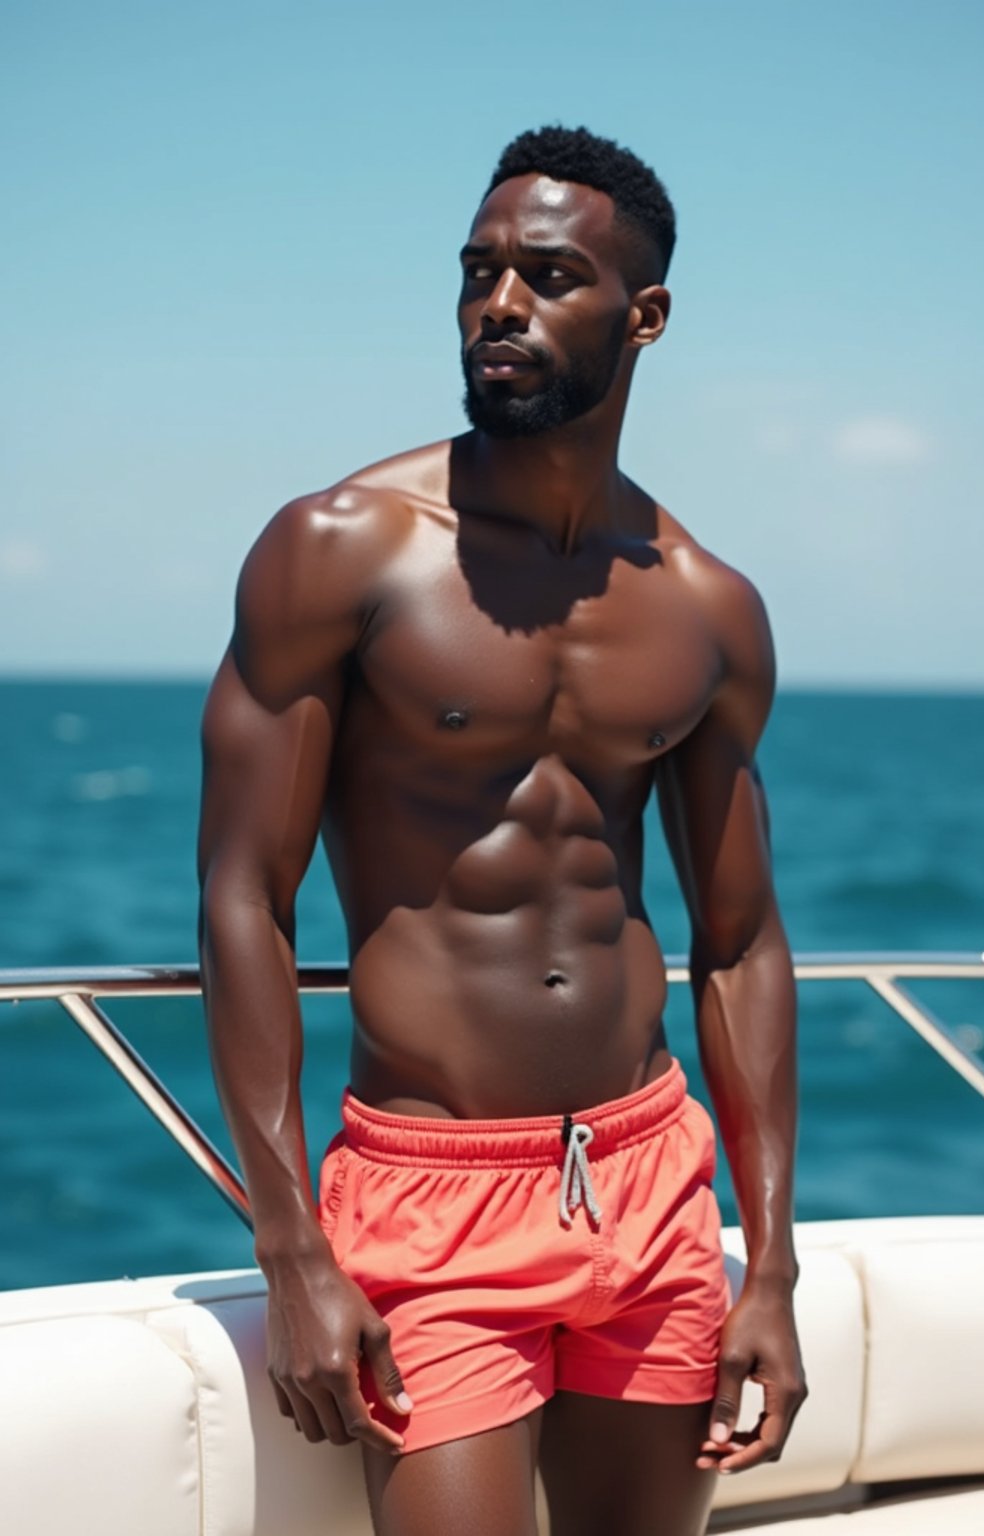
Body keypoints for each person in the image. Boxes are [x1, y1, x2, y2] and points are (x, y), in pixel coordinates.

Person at [197, 124, 806, 1536]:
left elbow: (742, 941)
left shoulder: (708, 605)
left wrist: (765, 1266)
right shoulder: (342, 547)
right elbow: (244, 899)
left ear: (644, 315)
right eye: (479, 272)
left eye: (548, 275)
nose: (500, 307)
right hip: (432, 1193)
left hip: (651, 1183)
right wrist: (291, 1246)